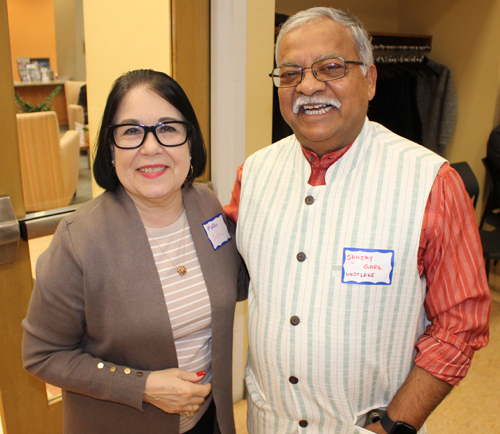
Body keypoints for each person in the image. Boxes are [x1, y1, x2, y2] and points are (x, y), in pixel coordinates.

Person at [224, 7, 491, 434]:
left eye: (331, 67)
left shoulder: (431, 183)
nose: (308, 86)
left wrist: (394, 426)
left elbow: (461, 325)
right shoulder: (252, 174)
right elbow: (221, 276)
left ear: (368, 80)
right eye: (290, 73)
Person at [23, 69, 247, 434]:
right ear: (110, 150)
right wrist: (141, 386)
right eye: (130, 132)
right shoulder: (79, 240)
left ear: (191, 142)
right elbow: (42, 354)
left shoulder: (206, 205)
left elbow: (235, 282)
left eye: (168, 128)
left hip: (210, 419)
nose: (151, 147)